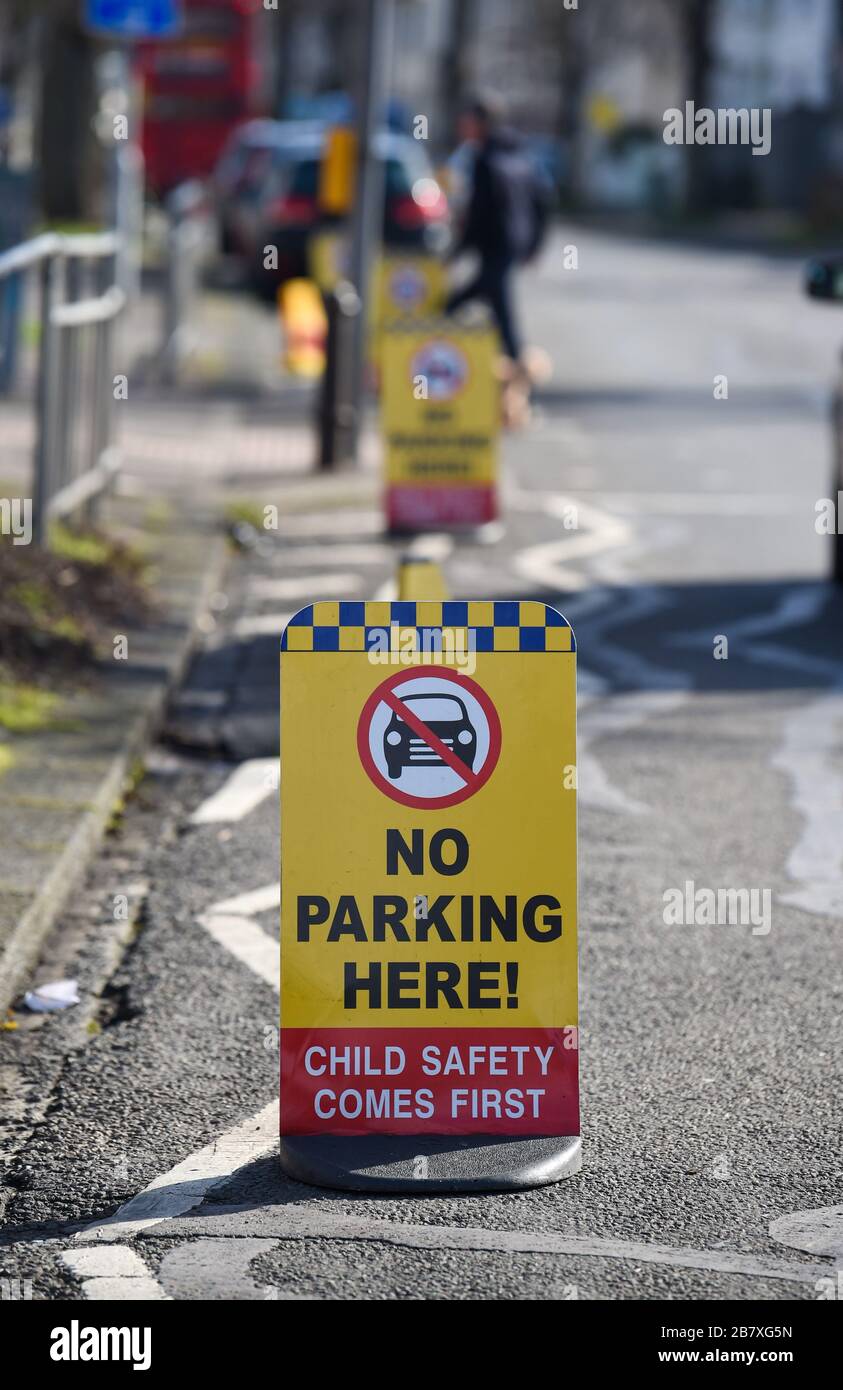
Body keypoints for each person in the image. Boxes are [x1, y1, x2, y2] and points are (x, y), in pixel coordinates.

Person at [445, 96, 549, 366]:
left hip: (496, 244)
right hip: (514, 243)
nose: (461, 127)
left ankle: (514, 368)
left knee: (482, 304)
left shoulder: (485, 159)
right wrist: (535, 244)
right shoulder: (519, 152)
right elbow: (543, 200)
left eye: (466, 122)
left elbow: (479, 213)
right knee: (497, 306)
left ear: (480, 123)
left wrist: (456, 251)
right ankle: (512, 367)